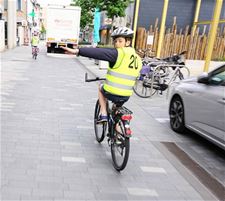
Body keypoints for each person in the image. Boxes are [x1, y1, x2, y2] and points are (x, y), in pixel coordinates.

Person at [61, 27, 142, 123]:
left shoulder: (118, 53)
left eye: (120, 41)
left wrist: (78, 51)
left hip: (112, 92)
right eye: (115, 41)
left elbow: (99, 52)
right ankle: (120, 134)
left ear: (128, 42)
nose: (117, 44)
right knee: (117, 116)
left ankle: (103, 114)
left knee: (100, 87)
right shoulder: (138, 59)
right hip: (126, 95)